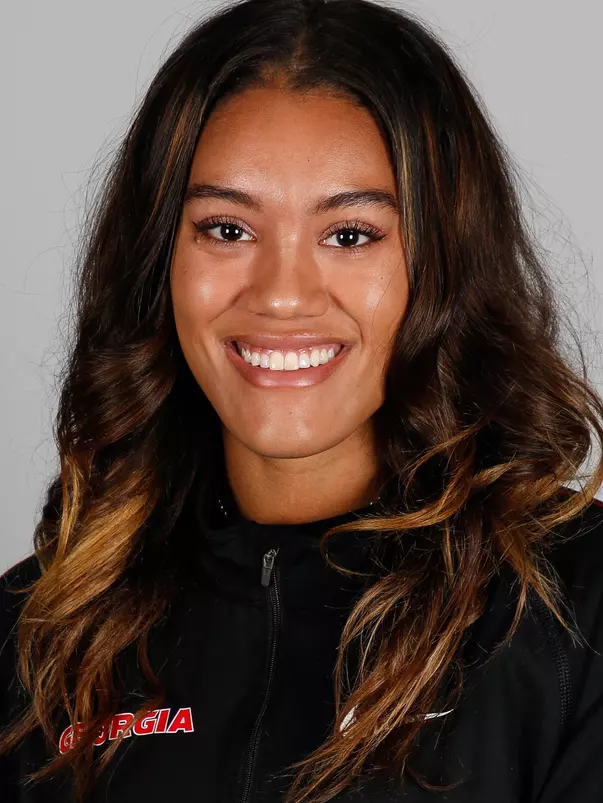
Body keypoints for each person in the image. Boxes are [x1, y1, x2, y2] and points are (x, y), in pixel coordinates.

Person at [2, 0, 603, 800]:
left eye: (350, 234)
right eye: (226, 229)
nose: (282, 295)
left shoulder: (576, 609)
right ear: (159, 262)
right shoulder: (41, 631)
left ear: (445, 265)